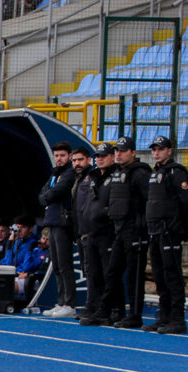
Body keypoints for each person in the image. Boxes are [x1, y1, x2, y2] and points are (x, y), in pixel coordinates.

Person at [144, 135, 188, 334]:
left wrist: (181, 229)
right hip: (155, 231)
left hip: (169, 232)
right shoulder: (155, 173)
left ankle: (177, 319)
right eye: (154, 149)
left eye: (160, 149)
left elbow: (187, 203)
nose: (156, 152)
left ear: (169, 151)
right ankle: (164, 317)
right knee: (159, 275)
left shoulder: (176, 172)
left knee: (172, 275)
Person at [102, 136, 151, 327]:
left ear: (133, 152)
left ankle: (135, 314)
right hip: (119, 228)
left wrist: (142, 225)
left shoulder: (140, 173)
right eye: (117, 151)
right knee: (113, 271)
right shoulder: (117, 173)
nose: (118, 154)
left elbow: (149, 200)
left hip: (135, 229)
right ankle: (113, 310)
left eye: (123, 151)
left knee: (134, 274)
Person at [37, 141, 77, 317]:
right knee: (57, 265)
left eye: (62, 155)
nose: (59, 159)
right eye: (56, 156)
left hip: (62, 223)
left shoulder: (69, 174)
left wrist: (48, 196)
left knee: (64, 264)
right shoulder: (55, 174)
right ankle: (61, 301)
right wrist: (47, 196)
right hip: (52, 222)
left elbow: (56, 192)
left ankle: (70, 303)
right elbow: (42, 195)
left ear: (68, 156)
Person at [75, 145, 114, 325]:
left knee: (107, 272)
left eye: (104, 156)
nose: (100, 159)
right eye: (98, 156)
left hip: (107, 231)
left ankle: (107, 309)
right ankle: (93, 306)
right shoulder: (93, 178)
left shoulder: (115, 177)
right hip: (90, 231)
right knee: (93, 272)